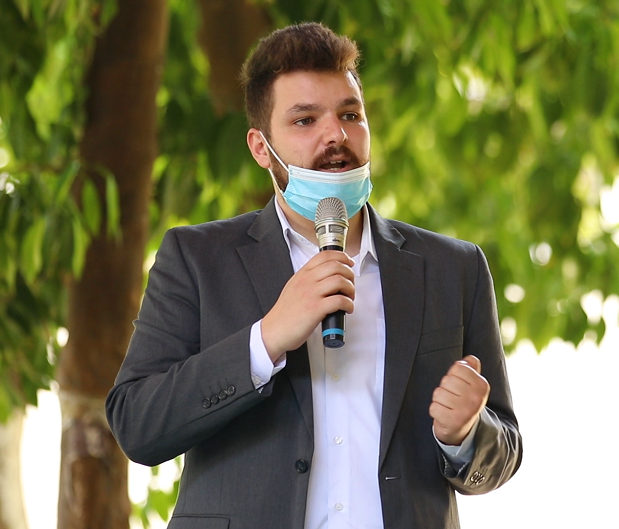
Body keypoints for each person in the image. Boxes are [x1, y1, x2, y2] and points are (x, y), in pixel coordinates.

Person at [106, 22, 522, 529]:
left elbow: (503, 452)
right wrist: (265, 340)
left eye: (350, 114)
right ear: (261, 148)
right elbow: (137, 424)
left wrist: (465, 436)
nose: (336, 136)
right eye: (305, 120)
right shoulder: (195, 259)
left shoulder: (453, 268)